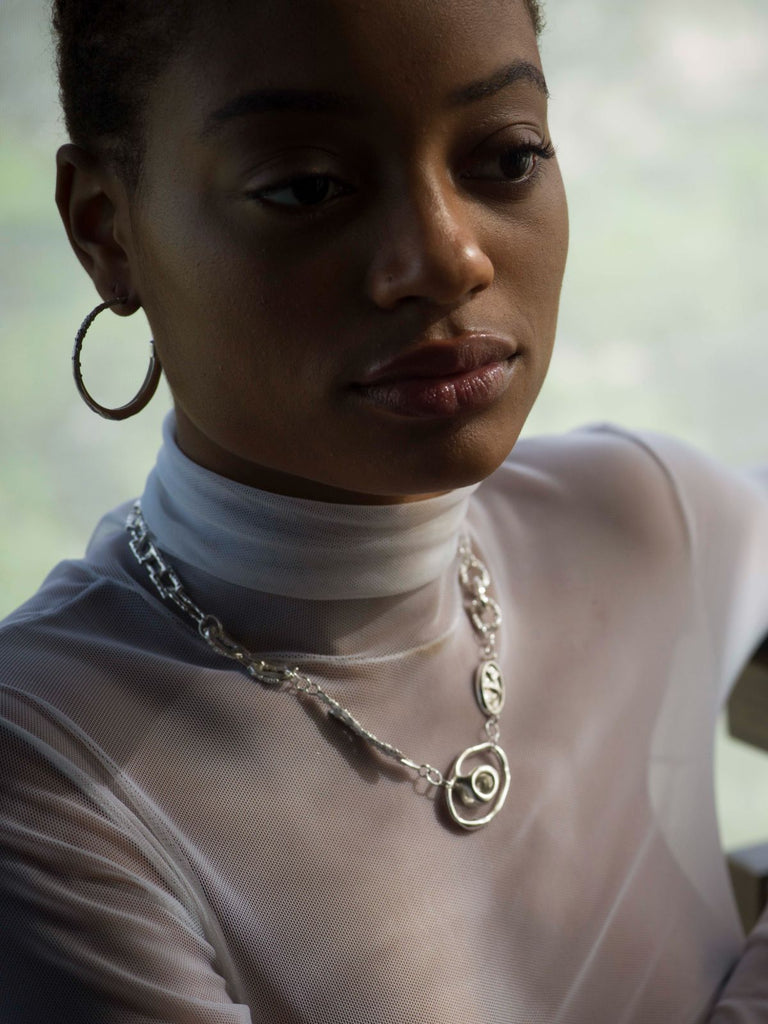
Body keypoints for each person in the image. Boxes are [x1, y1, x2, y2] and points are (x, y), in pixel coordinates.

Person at [1, 0, 767, 1021]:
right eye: (307, 187)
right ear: (106, 229)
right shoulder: (48, 771)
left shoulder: (646, 517)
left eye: (506, 158)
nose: (448, 258)